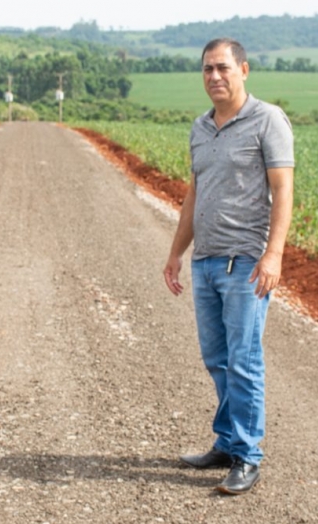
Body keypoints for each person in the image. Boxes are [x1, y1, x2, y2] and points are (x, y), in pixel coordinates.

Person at [163, 38, 294, 495]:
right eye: (207, 70)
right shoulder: (200, 128)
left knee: (244, 360)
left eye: (222, 68)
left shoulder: (267, 120)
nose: (214, 77)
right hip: (205, 262)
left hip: (247, 263)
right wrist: (177, 252)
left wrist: (273, 254)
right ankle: (228, 441)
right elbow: (194, 196)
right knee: (217, 359)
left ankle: (248, 456)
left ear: (244, 69)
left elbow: (283, 192)